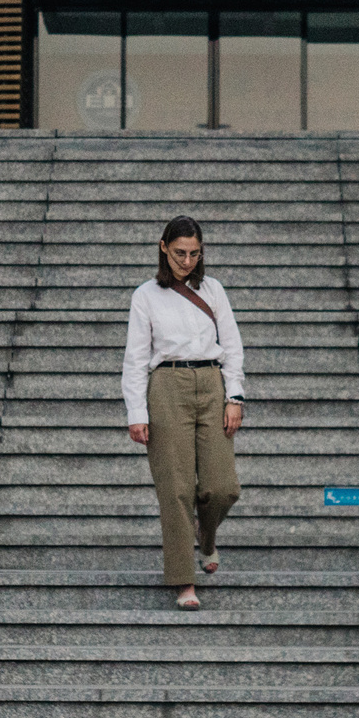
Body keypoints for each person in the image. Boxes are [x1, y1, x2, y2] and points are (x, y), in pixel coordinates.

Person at [122, 215, 244, 610]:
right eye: (179, 253)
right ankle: (183, 581)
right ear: (163, 248)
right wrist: (136, 411)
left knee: (223, 487)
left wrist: (235, 396)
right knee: (175, 490)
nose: (186, 261)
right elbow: (135, 357)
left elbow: (232, 345)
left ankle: (205, 537)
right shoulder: (146, 296)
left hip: (211, 383)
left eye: (194, 254)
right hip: (166, 386)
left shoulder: (214, 290)